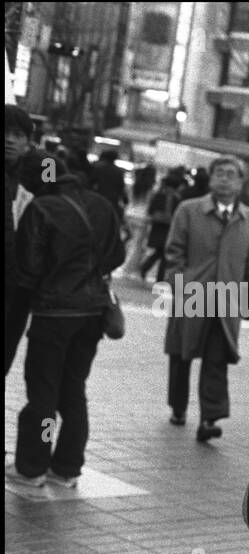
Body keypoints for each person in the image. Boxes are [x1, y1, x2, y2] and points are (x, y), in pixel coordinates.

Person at [6, 155, 124, 488]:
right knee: (73, 390)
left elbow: (27, 269)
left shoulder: (42, 208)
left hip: (53, 314)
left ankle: (32, 466)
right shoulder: (102, 205)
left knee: (43, 392)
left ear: (36, 181)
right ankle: (67, 467)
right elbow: (118, 255)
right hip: (93, 314)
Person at [163, 155, 249, 441]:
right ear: (210, 179)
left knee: (216, 359)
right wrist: (179, 285)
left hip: (228, 301)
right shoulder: (188, 210)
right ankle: (178, 407)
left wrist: (245, 302)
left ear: (240, 182)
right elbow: (173, 253)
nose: (224, 178)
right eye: (219, 172)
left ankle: (210, 418)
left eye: (231, 174)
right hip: (192, 294)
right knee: (181, 354)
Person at [5, 105, 36, 376]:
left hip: (16, 290)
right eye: (5, 132)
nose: (9, 139)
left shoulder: (35, 175)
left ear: (28, 143)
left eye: (17, 134)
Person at [139, 170, 184, 284]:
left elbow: (151, 210)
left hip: (158, 227)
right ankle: (157, 277)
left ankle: (146, 268)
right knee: (164, 253)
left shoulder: (159, 195)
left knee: (160, 251)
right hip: (169, 229)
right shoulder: (178, 199)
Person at [87, 149, 127, 214]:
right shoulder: (119, 171)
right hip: (112, 200)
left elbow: (90, 183)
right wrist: (124, 199)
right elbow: (121, 187)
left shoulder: (98, 168)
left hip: (99, 197)